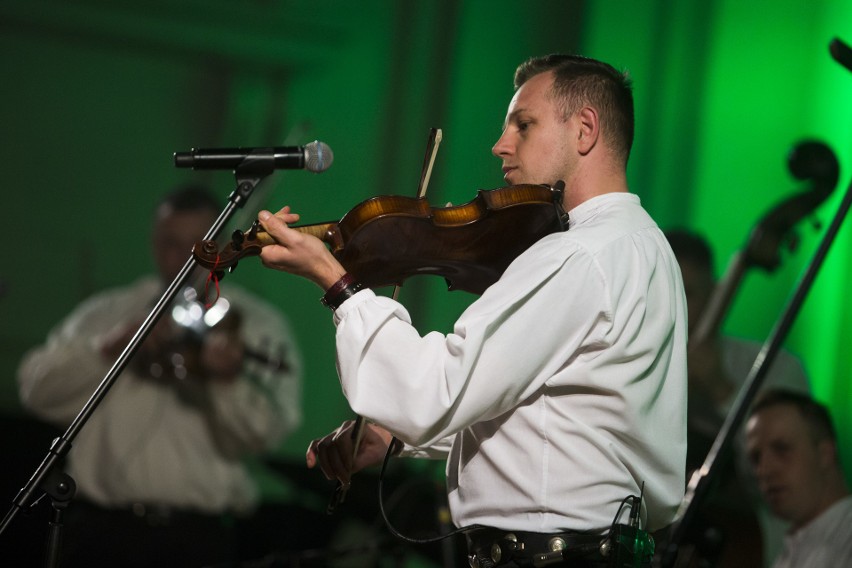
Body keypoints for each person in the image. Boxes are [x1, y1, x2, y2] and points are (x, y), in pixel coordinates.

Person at [256, 54, 688, 567]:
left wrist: (339, 285)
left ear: (586, 129)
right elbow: (557, 421)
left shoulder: (578, 255)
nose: (500, 145)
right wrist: (396, 437)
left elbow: (434, 390)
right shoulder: (643, 245)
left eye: (523, 125)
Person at [17, 185, 302, 568]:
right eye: (171, 243)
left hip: (198, 538)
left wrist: (225, 382)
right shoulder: (109, 310)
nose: (185, 259)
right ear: (154, 242)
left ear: (221, 246)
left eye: (200, 245)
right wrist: (111, 346)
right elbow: (34, 391)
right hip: (100, 532)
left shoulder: (256, 324)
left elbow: (267, 436)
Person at [666, 228, 810, 566]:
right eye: (665, 291)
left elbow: (797, 482)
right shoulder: (628, 370)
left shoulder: (777, 368)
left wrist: (720, 388)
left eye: (689, 293)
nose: (677, 307)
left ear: (717, 294)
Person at [745, 388, 852, 567]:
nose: (763, 470)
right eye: (756, 458)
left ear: (825, 454)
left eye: (781, 448)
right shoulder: (785, 556)